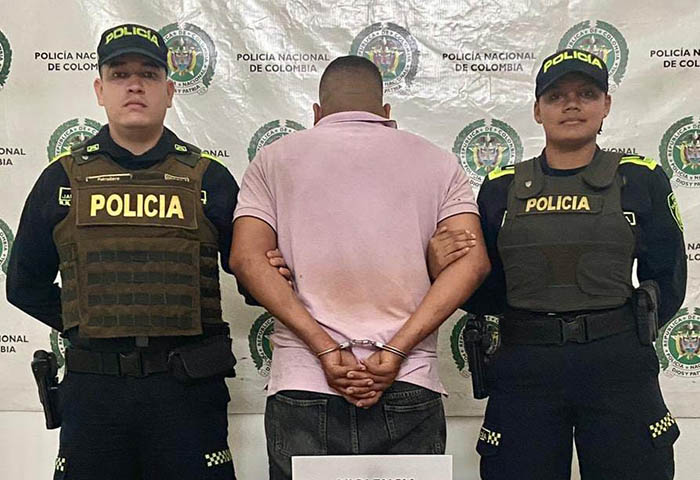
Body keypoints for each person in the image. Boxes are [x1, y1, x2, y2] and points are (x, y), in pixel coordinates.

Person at [229, 55, 491, 480]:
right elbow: (473, 262)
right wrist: (395, 350)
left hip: (305, 380)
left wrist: (326, 349)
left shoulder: (273, 160)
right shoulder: (437, 162)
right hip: (408, 378)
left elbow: (246, 258)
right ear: (386, 111)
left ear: (317, 112)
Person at [430, 49, 687, 479]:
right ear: (537, 110)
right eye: (556, 96)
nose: (571, 105)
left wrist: (621, 330)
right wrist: (442, 266)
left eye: (586, 93)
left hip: (617, 367)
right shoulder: (500, 188)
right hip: (525, 365)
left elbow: (668, 278)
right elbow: (485, 293)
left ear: (606, 104)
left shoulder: (641, 178)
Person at [6, 24, 239, 480]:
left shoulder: (209, 178)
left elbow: (251, 275)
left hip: (186, 392)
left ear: (169, 91)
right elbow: (24, 286)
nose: (134, 85)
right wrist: (88, 316)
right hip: (95, 394)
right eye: (119, 74)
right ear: (100, 90)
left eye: (149, 74)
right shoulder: (62, 178)